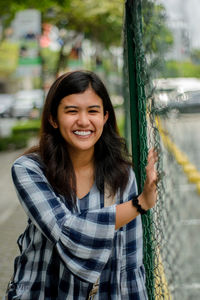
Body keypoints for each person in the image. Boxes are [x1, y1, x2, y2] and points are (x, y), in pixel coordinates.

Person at [6, 70, 157, 299]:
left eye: (93, 111)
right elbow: (65, 232)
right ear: (53, 119)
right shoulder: (30, 169)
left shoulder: (122, 175)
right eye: (72, 111)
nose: (84, 121)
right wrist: (140, 204)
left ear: (105, 117)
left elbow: (129, 265)